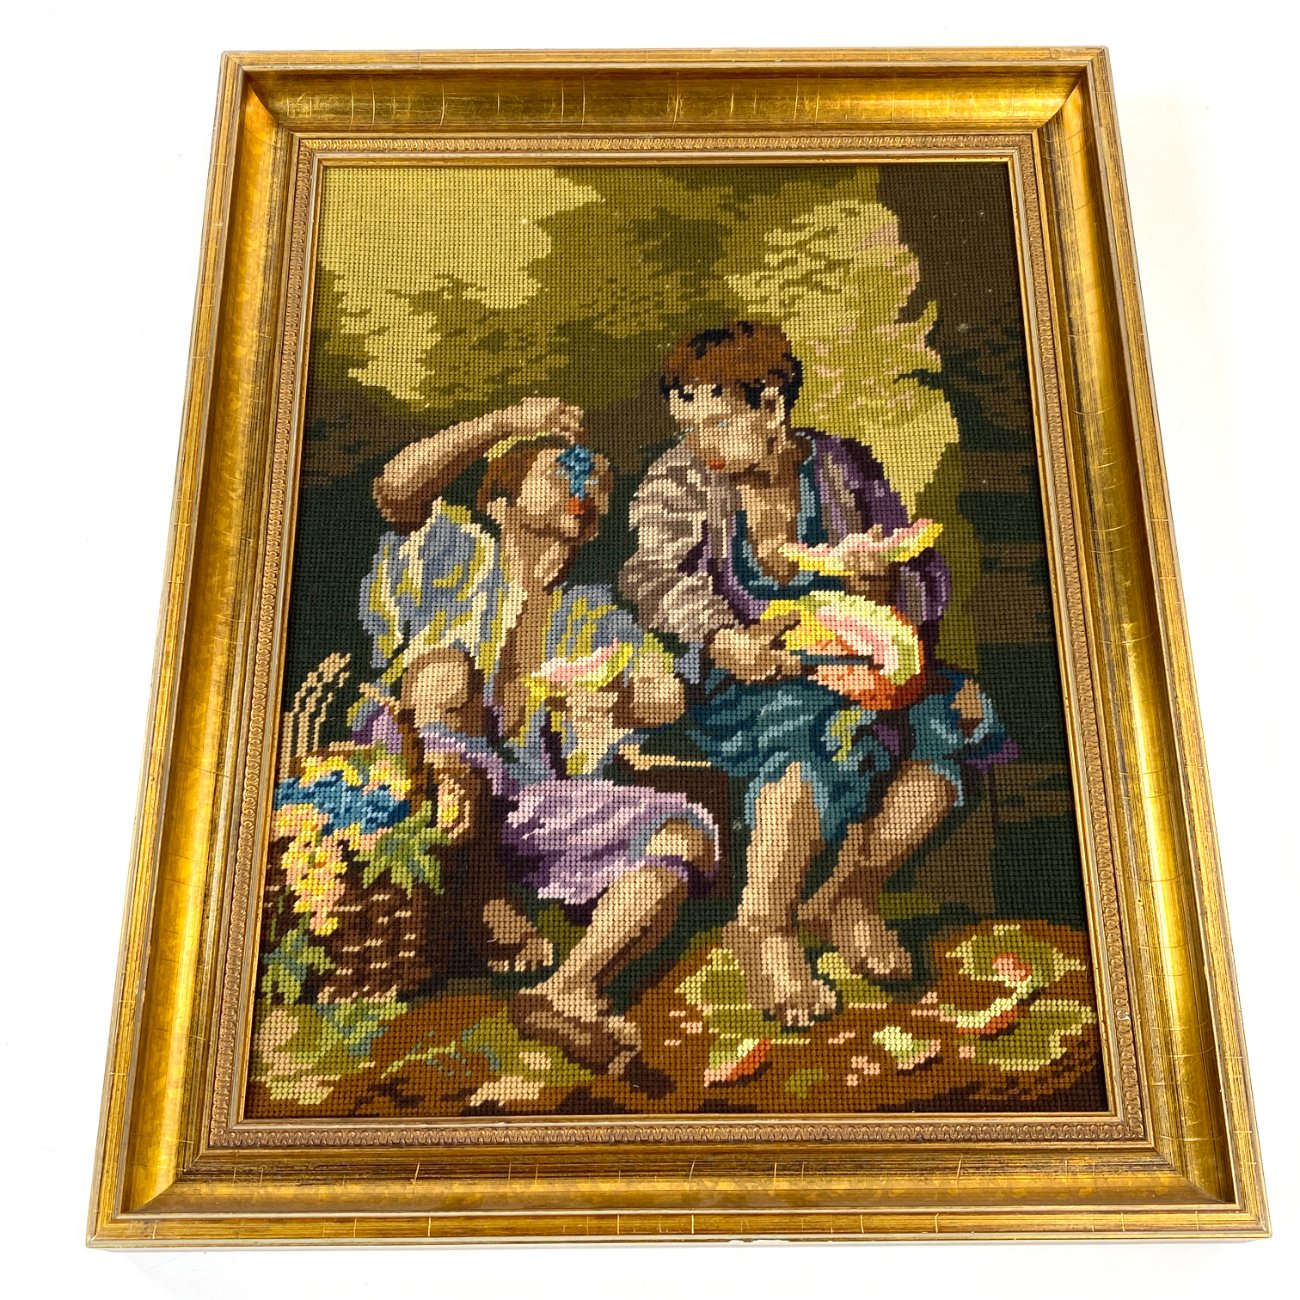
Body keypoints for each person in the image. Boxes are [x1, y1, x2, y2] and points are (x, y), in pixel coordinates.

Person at [619, 322, 1015, 1028]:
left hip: (859, 662)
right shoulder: (677, 480)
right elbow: (652, 578)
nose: (700, 443)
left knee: (956, 717)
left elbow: (921, 571)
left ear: (771, 406)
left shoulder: (842, 467)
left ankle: (850, 896)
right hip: (747, 674)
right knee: (808, 726)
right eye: (688, 426)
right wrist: (721, 638)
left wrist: (883, 581)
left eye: (717, 423)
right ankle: (764, 924)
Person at [355, 398, 719, 1072]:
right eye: (563, 473)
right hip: (416, 777)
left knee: (684, 836)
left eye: (599, 483)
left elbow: (667, 692)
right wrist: (506, 423)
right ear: (500, 500)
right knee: (446, 675)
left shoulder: (593, 614)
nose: (588, 487)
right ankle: (482, 890)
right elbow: (397, 489)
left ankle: (569, 989)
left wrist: (619, 699)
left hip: (531, 805)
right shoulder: (453, 555)